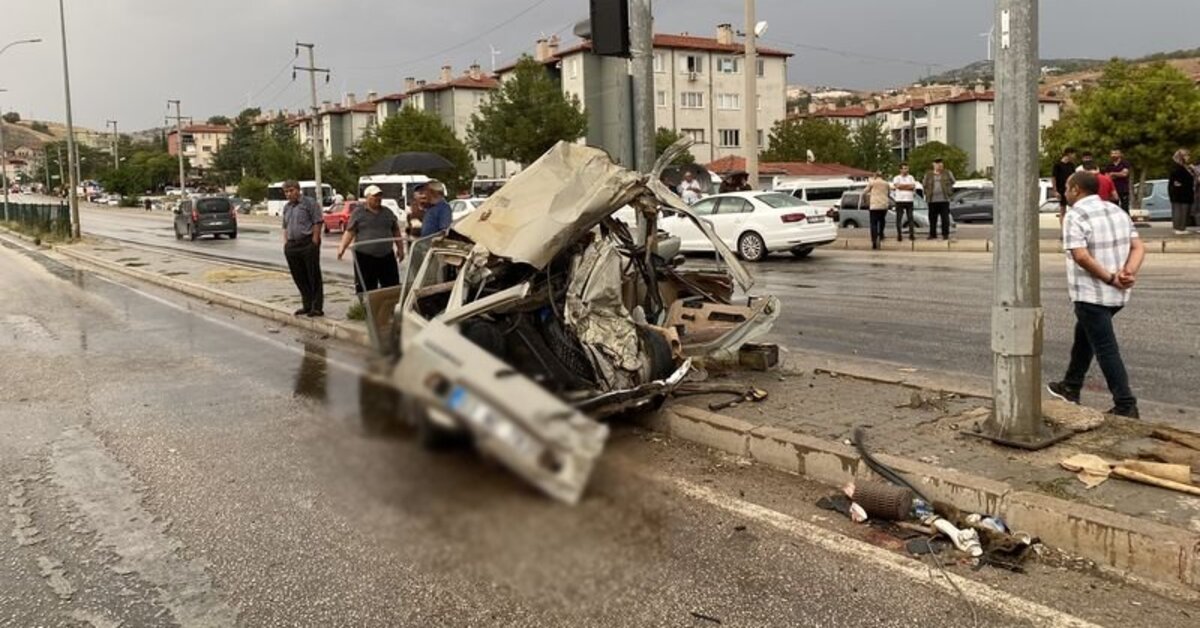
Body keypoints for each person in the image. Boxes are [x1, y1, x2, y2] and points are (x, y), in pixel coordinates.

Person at [1047, 171, 1145, 419]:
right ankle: (1071, 385)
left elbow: (1081, 256)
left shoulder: (1074, 215)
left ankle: (1125, 404)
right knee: (1085, 337)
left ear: (1077, 190)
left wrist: (1110, 278)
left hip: (1091, 294)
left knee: (1105, 348)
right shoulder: (1116, 211)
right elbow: (1138, 246)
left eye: (1067, 188)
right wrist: (1128, 273)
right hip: (1117, 296)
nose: (1064, 192)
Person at [336, 185, 404, 293]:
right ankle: (367, 308)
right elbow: (350, 232)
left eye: (380, 196)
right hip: (365, 257)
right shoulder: (358, 213)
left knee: (391, 285)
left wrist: (400, 249)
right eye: (375, 196)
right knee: (366, 287)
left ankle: (388, 307)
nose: (378, 199)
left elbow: (395, 230)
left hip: (386, 255)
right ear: (367, 198)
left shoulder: (387, 212)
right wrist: (342, 248)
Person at [280, 180, 325, 317]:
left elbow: (317, 221)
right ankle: (306, 304)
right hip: (292, 245)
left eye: (291, 190)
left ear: (298, 190)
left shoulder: (309, 203)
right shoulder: (287, 207)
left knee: (313, 275)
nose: (289, 194)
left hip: (307, 243)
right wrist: (286, 243)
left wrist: (315, 241)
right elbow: (285, 226)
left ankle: (316, 307)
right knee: (299, 276)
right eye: (286, 192)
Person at [922, 158, 954, 240]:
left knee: (945, 218)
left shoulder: (947, 173)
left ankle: (945, 234)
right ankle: (932, 234)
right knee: (932, 219)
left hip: (944, 199)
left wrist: (949, 190)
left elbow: (953, 181)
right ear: (934, 165)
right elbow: (924, 184)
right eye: (938, 165)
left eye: (941, 165)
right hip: (932, 200)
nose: (939, 166)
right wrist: (926, 193)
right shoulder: (928, 174)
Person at [1168, 149, 1195, 235]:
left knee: (1184, 211)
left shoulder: (1185, 167)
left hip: (1185, 192)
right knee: (1179, 210)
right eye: (1187, 155)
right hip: (1180, 193)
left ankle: (1182, 228)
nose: (1188, 157)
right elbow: (1176, 181)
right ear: (1181, 157)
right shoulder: (1177, 167)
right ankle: (1178, 228)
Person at [862, 171, 891, 250]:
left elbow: (864, 192)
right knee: (882, 220)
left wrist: (865, 201)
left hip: (874, 206)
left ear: (875, 176)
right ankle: (881, 234)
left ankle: (874, 239)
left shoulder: (872, 183)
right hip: (883, 205)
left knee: (873, 223)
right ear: (882, 176)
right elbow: (889, 194)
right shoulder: (886, 183)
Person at [890, 163, 917, 242]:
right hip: (899, 200)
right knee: (899, 218)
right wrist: (908, 187)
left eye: (907, 168)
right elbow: (898, 186)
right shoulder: (896, 178)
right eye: (904, 168)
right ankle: (899, 235)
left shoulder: (911, 177)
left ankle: (911, 234)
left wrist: (903, 187)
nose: (906, 170)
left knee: (910, 218)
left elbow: (913, 186)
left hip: (909, 200)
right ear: (900, 169)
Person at [1052, 147, 1077, 218]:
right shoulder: (1057, 165)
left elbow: (1074, 176)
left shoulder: (1071, 165)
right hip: (1061, 189)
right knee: (1063, 210)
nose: (1074, 156)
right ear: (1069, 154)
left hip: (1070, 189)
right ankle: (1063, 227)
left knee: (1074, 207)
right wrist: (1055, 191)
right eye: (1073, 154)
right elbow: (1054, 178)